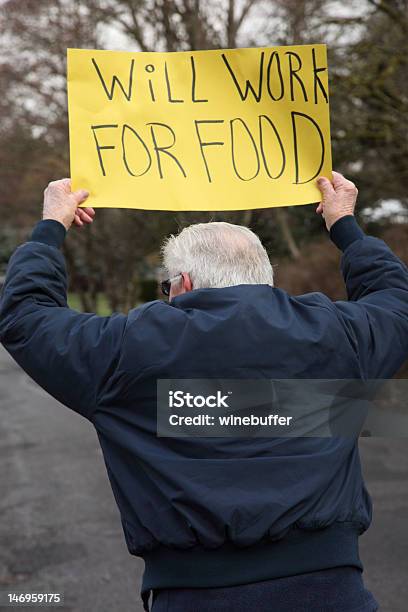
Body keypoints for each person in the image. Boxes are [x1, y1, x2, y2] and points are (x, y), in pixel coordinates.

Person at [0, 172, 407, 612]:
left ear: (184, 283)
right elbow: (396, 299)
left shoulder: (125, 350)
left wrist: (51, 225)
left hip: (193, 596)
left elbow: (24, 315)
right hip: (335, 593)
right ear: (264, 278)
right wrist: (344, 223)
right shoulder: (336, 334)